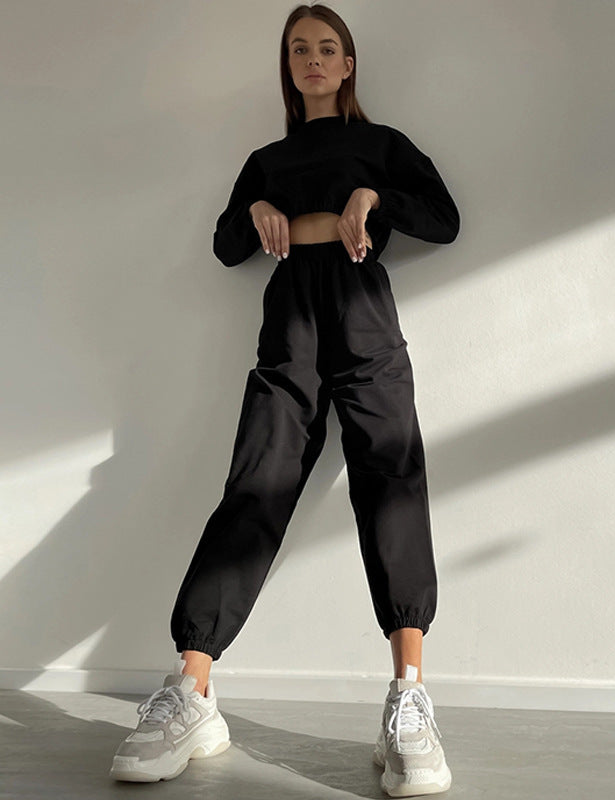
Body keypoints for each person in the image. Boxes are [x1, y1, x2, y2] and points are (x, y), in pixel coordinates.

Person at [109, 4, 459, 797]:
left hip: (365, 323)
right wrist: (259, 211)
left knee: (392, 485)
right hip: (290, 331)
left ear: (348, 64)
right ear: (288, 67)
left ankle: (409, 697)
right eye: (299, 48)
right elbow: (227, 243)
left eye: (327, 47)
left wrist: (372, 197)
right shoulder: (267, 160)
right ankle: (193, 690)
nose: (313, 58)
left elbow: (444, 219)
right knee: (255, 490)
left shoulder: (382, 146)